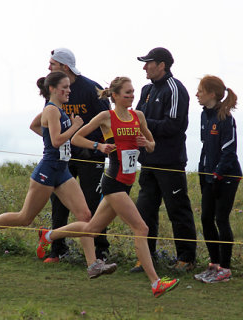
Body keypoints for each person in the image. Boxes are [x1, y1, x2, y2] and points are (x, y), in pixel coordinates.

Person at [37, 76, 179, 298]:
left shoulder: (138, 116)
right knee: (141, 229)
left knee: (92, 228)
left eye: (133, 92)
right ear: (115, 96)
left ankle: (48, 236)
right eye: (127, 93)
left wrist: (146, 143)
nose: (132, 96)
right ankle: (155, 283)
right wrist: (99, 145)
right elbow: (76, 139)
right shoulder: (106, 117)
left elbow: (152, 146)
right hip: (113, 183)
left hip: (128, 182)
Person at [0, 71, 117, 278]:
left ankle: (92, 264)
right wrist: (74, 128)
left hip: (62, 171)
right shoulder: (52, 110)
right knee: (25, 217)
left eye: (69, 87)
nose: (69, 91)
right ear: (53, 89)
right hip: (47, 171)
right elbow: (56, 141)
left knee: (85, 215)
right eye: (64, 87)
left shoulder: (58, 109)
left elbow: (35, 126)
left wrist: (57, 133)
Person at [30, 48, 110, 263]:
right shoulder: (54, 91)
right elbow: (46, 126)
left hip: (90, 155)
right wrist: (53, 143)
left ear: (65, 67)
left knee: (91, 204)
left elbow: (106, 122)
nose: (48, 68)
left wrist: (100, 146)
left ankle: (99, 252)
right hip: (64, 158)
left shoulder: (92, 89)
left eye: (52, 64)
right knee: (58, 204)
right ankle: (57, 250)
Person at [132, 47, 197, 272]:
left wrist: (145, 124)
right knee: (144, 211)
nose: (144, 67)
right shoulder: (146, 89)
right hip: (148, 161)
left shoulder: (176, 88)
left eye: (148, 62)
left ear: (161, 65)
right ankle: (147, 258)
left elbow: (174, 125)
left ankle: (186, 259)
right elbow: (135, 119)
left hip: (170, 162)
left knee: (177, 210)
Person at [194, 75, 241, 283]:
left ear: (212, 94)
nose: (197, 94)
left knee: (221, 219)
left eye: (200, 91)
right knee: (206, 218)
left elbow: (229, 151)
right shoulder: (205, 116)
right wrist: (204, 173)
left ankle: (225, 268)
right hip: (208, 176)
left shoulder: (226, 118)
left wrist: (218, 175)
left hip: (227, 177)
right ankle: (213, 265)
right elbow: (206, 148)